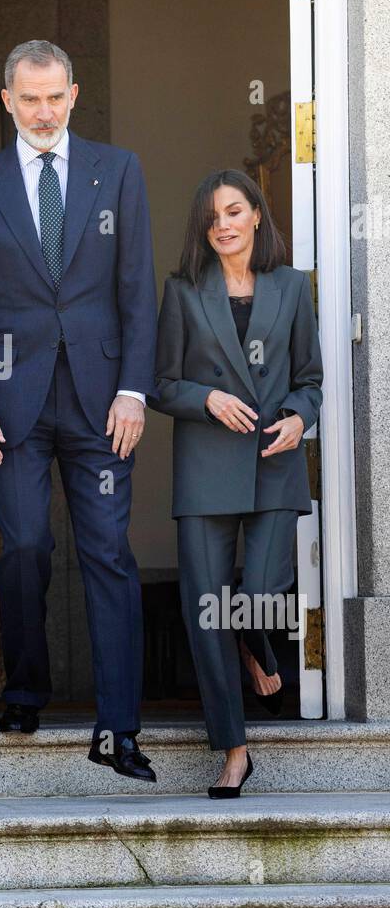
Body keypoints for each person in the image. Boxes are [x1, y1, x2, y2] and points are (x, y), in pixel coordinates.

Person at [0, 39, 158, 781]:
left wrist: (135, 389)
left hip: (102, 403)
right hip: (11, 403)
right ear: (6, 100)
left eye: (54, 96)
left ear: (73, 95)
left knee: (109, 556)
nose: (42, 111)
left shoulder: (117, 169)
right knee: (26, 547)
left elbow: (136, 290)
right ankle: (25, 688)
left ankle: (120, 727)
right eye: (28, 98)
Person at [148, 169, 323, 797]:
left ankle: (256, 640)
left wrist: (301, 417)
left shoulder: (291, 287)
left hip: (274, 461)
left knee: (264, 590)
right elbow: (162, 383)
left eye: (233, 212)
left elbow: (310, 378)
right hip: (205, 469)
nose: (222, 224)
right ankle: (234, 750)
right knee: (206, 613)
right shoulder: (184, 291)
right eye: (211, 217)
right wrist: (209, 399)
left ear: (255, 216)